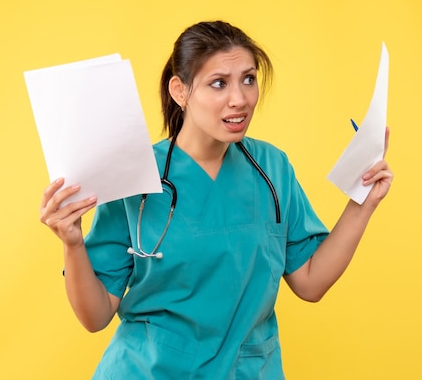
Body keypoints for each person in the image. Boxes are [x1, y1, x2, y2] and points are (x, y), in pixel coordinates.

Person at [39, 20, 393, 379]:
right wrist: (72, 242)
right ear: (180, 91)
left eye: (248, 79)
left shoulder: (272, 169)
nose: (239, 99)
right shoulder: (134, 177)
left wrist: (363, 202)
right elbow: (96, 316)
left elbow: (311, 282)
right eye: (219, 83)